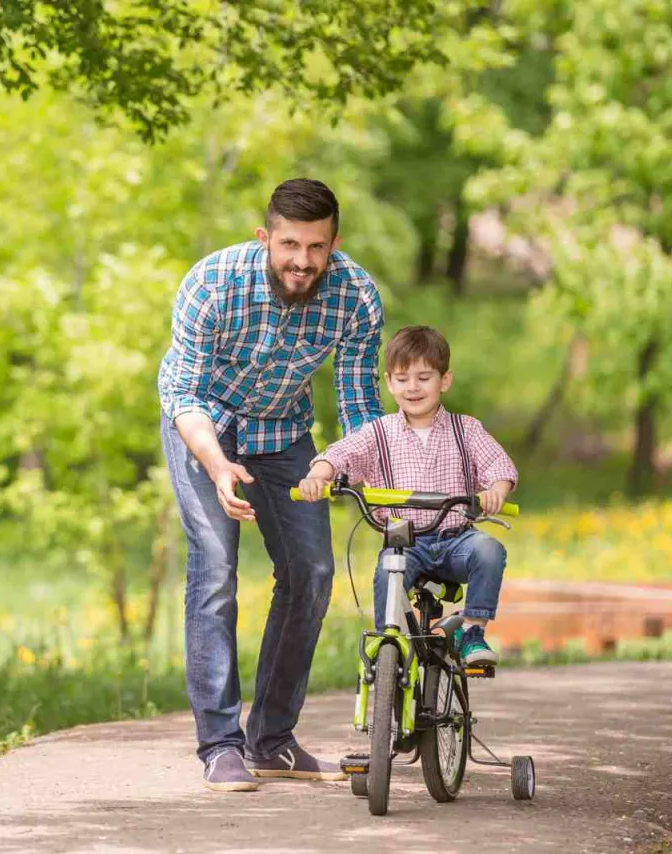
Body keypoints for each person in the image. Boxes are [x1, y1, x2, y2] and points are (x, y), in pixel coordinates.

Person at [158, 178, 385, 792]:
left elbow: (359, 402)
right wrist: (215, 463)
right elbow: (181, 393)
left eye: (316, 247)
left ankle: (272, 739)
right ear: (266, 237)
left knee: (312, 572)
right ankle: (220, 744)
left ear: (334, 244)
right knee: (215, 570)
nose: (302, 261)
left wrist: (363, 470)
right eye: (289, 244)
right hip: (205, 426)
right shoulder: (212, 283)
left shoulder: (357, 296)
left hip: (285, 433)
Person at [298, 324, 518, 664]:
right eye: (402, 379)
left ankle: (472, 632)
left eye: (424, 377)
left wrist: (495, 491)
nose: (412, 387)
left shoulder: (466, 429)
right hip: (406, 544)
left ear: (444, 381)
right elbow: (342, 454)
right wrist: (318, 474)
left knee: (489, 550)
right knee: (388, 569)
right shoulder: (379, 433)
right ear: (389, 383)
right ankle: (390, 643)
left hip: (456, 540)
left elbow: (498, 467)